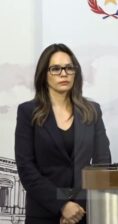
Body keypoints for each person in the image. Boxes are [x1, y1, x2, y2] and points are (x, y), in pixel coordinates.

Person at [15, 43, 112, 224]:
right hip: (43, 213)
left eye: (69, 68)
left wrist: (77, 205)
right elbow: (26, 168)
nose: (64, 73)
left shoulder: (92, 110)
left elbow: (103, 162)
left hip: (84, 212)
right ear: (44, 74)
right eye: (56, 69)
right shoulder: (28, 111)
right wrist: (62, 205)